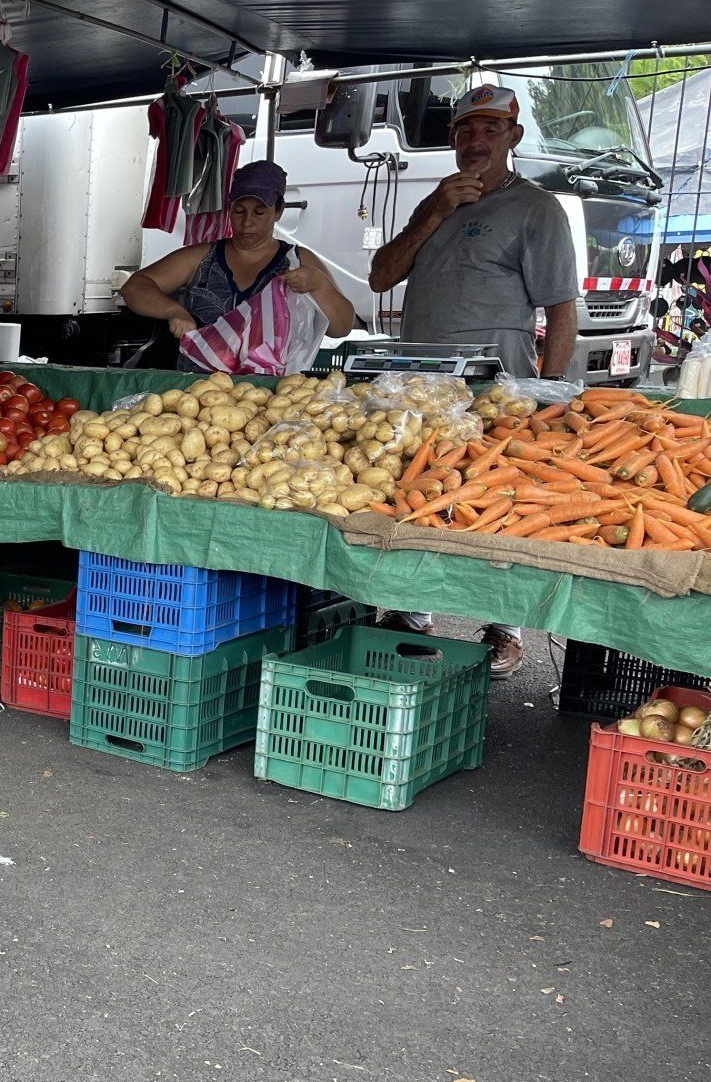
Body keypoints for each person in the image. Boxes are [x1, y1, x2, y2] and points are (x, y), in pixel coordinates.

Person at [367, 84, 580, 679]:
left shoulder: (535, 209)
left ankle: (503, 628)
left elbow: (562, 308)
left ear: (513, 137)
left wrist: (551, 391)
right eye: (465, 131)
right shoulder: (436, 199)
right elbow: (382, 276)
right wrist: (435, 211)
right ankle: (412, 616)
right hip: (420, 382)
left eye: (490, 130)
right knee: (416, 492)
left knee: (490, 501)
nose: (476, 141)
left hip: (496, 385)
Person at [120, 160, 355, 371]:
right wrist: (174, 311)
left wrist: (319, 286)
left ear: (279, 212)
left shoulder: (299, 260)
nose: (247, 223)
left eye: (260, 212)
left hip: (268, 394)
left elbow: (341, 327)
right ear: (229, 210)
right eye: (239, 211)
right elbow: (135, 287)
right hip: (196, 392)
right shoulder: (202, 257)